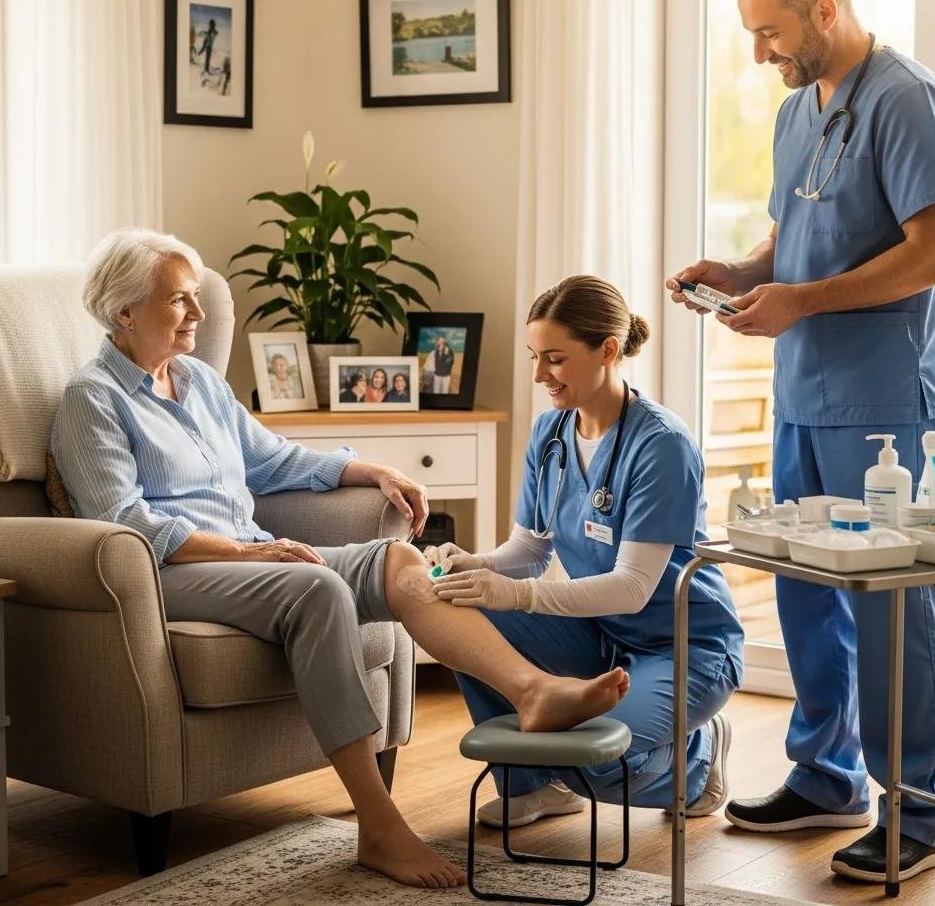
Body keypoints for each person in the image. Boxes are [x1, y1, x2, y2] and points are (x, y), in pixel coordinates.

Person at [52, 231, 630, 891]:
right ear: (124, 311)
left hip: (254, 555)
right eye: (179, 300)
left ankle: (532, 691)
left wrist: (371, 469)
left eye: (194, 298)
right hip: (171, 575)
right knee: (316, 589)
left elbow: (272, 459)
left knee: (398, 562)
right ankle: (378, 824)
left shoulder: (199, 382)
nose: (198, 313)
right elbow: (125, 523)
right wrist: (250, 550)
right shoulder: (91, 399)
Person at [666, 0, 935, 884]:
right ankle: (826, 775)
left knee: (891, 612)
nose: (759, 52)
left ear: (823, 10)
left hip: (885, 402)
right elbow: (793, 239)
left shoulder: (908, 99)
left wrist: (802, 300)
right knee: (802, 592)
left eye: (770, 30)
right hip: (804, 390)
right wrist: (742, 273)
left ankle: (918, 809)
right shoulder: (801, 110)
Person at [426, 275, 744, 827]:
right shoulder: (551, 432)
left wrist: (519, 594)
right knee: (463, 614)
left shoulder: (661, 445)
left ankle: (694, 759)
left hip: (685, 647)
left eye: (554, 358)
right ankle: (531, 788)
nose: (538, 375)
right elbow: (529, 549)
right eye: (534, 356)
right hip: (600, 634)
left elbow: (632, 587)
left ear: (608, 350)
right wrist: (477, 567)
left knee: (595, 755)